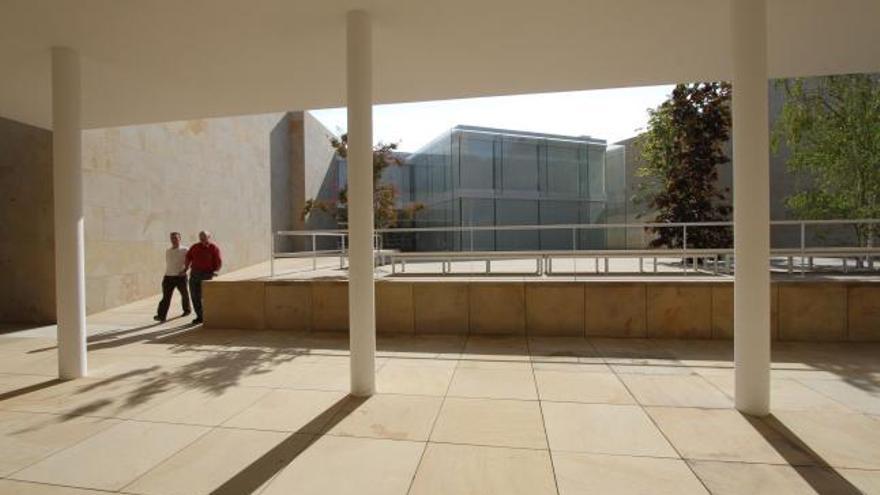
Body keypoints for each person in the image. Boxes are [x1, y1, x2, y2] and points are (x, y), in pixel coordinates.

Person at [185, 230, 222, 324]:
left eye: (204, 237)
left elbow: (218, 261)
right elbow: (188, 257)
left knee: (205, 296)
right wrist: (186, 268)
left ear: (208, 237)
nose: (202, 239)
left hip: (207, 274)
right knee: (194, 296)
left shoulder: (213, 248)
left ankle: (209, 316)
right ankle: (200, 317)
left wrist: (215, 271)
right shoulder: (194, 247)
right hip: (194, 274)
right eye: (200, 237)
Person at [154, 232, 190, 322]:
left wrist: (185, 270)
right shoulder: (168, 251)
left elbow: (190, 261)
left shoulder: (185, 249)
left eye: (175, 238)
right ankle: (161, 316)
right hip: (168, 277)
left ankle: (187, 310)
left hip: (180, 277)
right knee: (166, 297)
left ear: (179, 239)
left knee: (184, 295)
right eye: (172, 238)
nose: (174, 240)